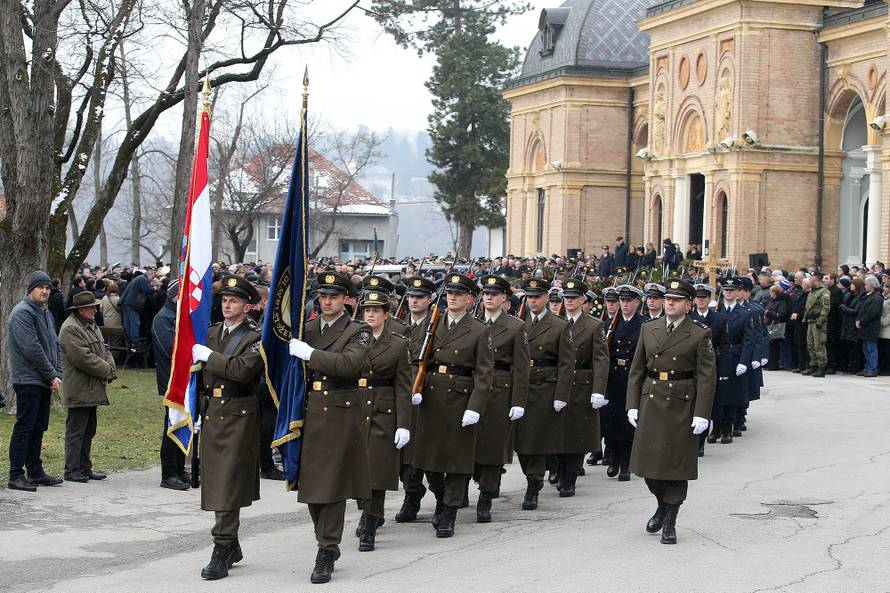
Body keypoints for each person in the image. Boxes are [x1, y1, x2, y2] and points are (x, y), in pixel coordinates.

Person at [287, 272, 373, 583]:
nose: (327, 302)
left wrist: (309, 354)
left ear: (347, 299)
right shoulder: (306, 329)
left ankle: (327, 547)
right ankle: (326, 541)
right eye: (323, 296)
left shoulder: (359, 331)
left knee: (333, 486)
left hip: (339, 411)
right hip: (308, 411)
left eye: (334, 296)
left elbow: (348, 365)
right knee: (311, 486)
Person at [626, 279, 716, 545]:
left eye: (676, 300)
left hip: (682, 403)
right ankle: (662, 504)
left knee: (675, 466)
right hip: (652, 399)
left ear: (688, 304)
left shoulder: (699, 333)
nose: (670, 304)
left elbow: (707, 377)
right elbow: (637, 371)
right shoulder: (649, 328)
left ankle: (670, 520)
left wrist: (702, 413)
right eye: (668, 299)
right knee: (649, 465)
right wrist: (631, 404)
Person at [409, 273, 493, 538]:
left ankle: (449, 512)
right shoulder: (432, 325)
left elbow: (484, 373)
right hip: (432, 396)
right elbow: (417, 360)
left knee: (456, 460)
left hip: (460, 397)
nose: (452, 298)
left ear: (470, 299)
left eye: (458, 294)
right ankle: (443, 497)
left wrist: (475, 406)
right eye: (449, 293)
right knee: (429, 460)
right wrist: (416, 388)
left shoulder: (479, 330)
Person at [191, 276, 263, 581]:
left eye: (233, 301)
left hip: (239, 415)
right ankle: (230, 544)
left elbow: (241, 371)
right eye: (224, 300)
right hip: (212, 413)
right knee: (216, 480)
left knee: (228, 482)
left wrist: (210, 357)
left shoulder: (255, 337)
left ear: (247, 306)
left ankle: (221, 546)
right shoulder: (209, 332)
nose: (227, 304)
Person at [354, 281, 412, 551]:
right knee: (357, 470)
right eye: (367, 309)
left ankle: (369, 521)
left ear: (386, 314)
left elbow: (403, 386)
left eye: (376, 310)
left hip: (383, 409)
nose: (370, 315)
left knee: (375, 470)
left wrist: (404, 424)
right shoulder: (352, 338)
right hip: (354, 408)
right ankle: (366, 510)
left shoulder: (398, 344)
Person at [514, 277, 574, 509]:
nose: (533, 301)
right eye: (529, 297)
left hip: (545, 386)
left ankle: (533, 483)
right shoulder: (518, 323)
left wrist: (561, 394)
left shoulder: (559, 325)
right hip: (521, 386)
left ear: (547, 298)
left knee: (536, 440)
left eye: (537, 297)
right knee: (520, 441)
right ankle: (531, 475)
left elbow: (566, 364)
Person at [473, 274, 529, 521]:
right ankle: (468, 485)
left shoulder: (515, 327)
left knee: (492, 445)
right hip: (474, 388)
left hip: (499, 390)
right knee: (470, 443)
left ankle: (486, 494)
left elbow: (521, 367)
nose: (488, 298)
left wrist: (518, 401)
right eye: (485, 294)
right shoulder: (473, 323)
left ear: (504, 298)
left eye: (494, 294)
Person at [6, 271, 64, 492]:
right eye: (40, 287)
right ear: (30, 289)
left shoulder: (45, 313)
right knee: (25, 426)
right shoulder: (22, 313)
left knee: (39, 426)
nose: (45, 291)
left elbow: (54, 344)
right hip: (28, 379)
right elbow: (32, 349)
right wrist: (51, 374)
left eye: (48, 288)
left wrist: (57, 373)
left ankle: (35, 470)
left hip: (44, 379)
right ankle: (16, 473)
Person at [59, 291, 116, 483]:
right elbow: (82, 358)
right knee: (76, 430)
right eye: (91, 307)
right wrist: (107, 370)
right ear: (80, 310)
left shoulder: (90, 326)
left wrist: (111, 367)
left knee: (88, 429)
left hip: (92, 387)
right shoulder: (70, 328)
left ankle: (84, 467)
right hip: (79, 387)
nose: (95, 310)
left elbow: (104, 349)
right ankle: (72, 469)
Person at [559, 279, 609, 497]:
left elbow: (600, 360)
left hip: (581, 382)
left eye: (573, 298)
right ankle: (560, 471)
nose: (569, 302)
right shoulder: (558, 323)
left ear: (582, 301)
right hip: (559, 383)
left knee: (576, 432)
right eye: (566, 298)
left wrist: (598, 389)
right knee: (558, 431)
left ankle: (570, 476)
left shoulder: (593, 325)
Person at [394, 275, 437, 523]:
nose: (414, 301)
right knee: (401, 453)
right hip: (401, 392)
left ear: (429, 300)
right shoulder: (398, 326)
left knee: (421, 454)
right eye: (411, 297)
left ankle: (428, 497)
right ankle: (413, 491)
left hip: (427, 397)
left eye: (419, 297)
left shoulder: (437, 327)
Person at [602, 284, 645, 481]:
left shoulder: (644, 324)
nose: (625, 304)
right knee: (611, 421)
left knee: (628, 422)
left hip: (632, 377)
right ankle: (614, 458)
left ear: (637, 302)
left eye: (629, 301)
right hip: (613, 378)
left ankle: (626, 463)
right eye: (622, 301)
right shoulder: (609, 325)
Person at [151, 281, 190, 491]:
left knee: (184, 424)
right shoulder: (163, 319)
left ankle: (179, 467)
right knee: (172, 425)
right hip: (171, 381)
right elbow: (170, 349)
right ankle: (169, 472)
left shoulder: (180, 317)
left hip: (185, 380)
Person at [689, 284, 727, 456]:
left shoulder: (718, 319)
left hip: (710, 365)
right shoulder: (688, 317)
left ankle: (701, 441)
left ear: (709, 299)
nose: (701, 300)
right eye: (698, 297)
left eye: (704, 297)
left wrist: (723, 367)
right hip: (689, 366)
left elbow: (724, 344)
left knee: (706, 404)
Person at [716, 278, 755, 443]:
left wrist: (744, 362)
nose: (729, 293)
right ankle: (716, 426)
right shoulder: (716, 312)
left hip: (735, 356)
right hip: (719, 356)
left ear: (737, 291)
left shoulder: (745, 313)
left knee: (732, 394)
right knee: (718, 394)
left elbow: (749, 340)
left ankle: (729, 427)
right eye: (726, 290)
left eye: (732, 290)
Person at [802, 272, 830, 377]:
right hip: (811, 320)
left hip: (818, 321)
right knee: (810, 344)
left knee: (819, 345)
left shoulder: (824, 291)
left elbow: (825, 307)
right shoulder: (813, 290)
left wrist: (821, 321)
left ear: (816, 278)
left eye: (811, 277)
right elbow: (808, 306)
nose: (810, 279)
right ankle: (813, 365)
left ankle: (821, 367)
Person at [856, 275, 884, 377]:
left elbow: (872, 313)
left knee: (871, 349)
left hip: (871, 327)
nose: (865, 286)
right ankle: (867, 367)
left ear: (871, 285)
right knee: (866, 349)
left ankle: (872, 368)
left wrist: (862, 321)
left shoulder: (877, 297)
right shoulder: (868, 296)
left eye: (866, 284)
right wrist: (858, 320)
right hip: (865, 327)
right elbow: (862, 310)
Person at [119, 268, 156, 341]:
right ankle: (134, 342)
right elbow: (148, 290)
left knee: (128, 324)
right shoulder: (143, 279)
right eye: (153, 277)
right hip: (133, 304)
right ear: (149, 274)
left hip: (127, 303)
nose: (152, 280)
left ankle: (129, 341)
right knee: (134, 323)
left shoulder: (139, 278)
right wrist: (154, 288)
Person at [764, 284, 790, 370]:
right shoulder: (771, 301)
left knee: (774, 346)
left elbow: (780, 315)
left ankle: (774, 364)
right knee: (769, 346)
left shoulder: (781, 302)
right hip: (768, 325)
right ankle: (769, 363)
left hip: (776, 326)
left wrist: (768, 312)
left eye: (771, 292)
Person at [880, 281, 890, 375]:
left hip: (887, 329)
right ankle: (883, 367)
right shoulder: (883, 297)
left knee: (887, 350)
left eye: (885, 287)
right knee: (882, 349)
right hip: (881, 329)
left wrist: (882, 321)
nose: (883, 288)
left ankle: (887, 369)